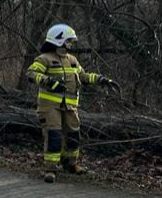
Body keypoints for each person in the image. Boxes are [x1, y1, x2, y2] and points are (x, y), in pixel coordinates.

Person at [26, 24, 120, 183]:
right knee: (54, 136)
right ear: (59, 40)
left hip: (70, 106)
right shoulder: (44, 58)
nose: (70, 45)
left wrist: (101, 80)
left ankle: (71, 164)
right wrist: (49, 82)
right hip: (49, 107)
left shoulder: (72, 60)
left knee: (73, 136)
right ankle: (50, 169)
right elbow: (31, 73)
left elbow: (83, 76)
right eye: (68, 41)